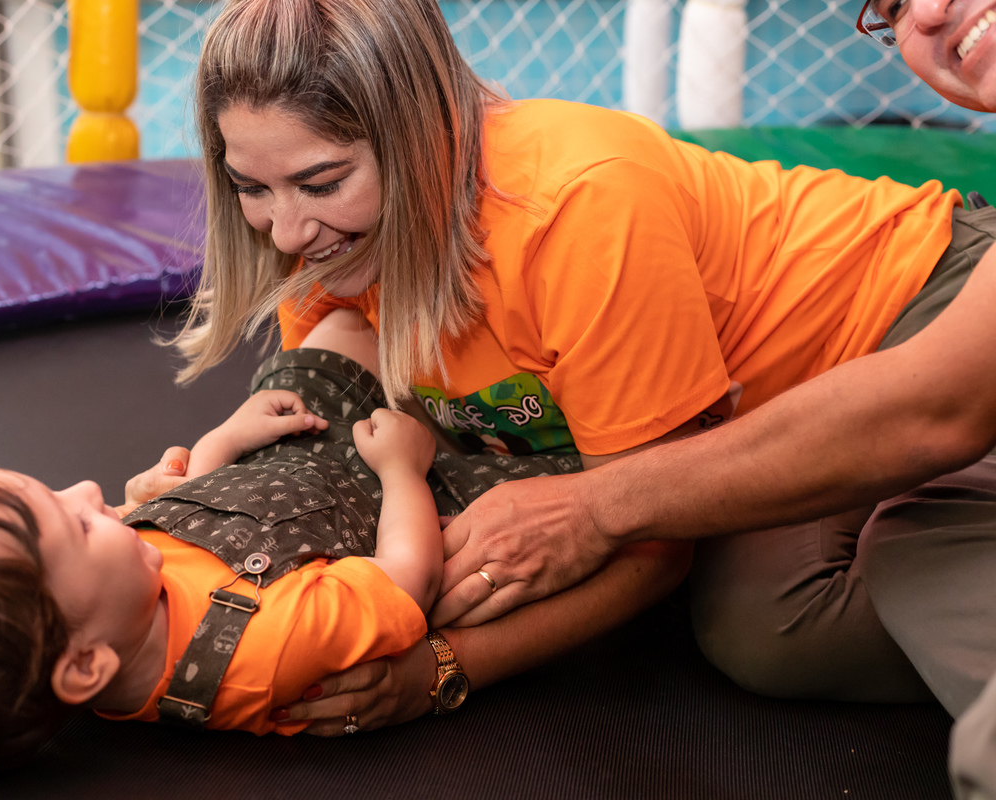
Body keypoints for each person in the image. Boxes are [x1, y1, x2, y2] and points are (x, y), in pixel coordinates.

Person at [421, 1, 996, 796]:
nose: (926, 12)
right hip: (845, 386)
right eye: (891, 9)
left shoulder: (583, 195)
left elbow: (931, 408)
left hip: (908, 307)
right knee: (792, 609)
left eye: (322, 181)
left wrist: (585, 514)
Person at [0, 310, 585, 775]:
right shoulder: (263, 652)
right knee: (560, 486)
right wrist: (405, 469)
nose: (89, 492)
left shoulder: (106, 598)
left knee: (346, 324)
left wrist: (222, 443)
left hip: (292, 466)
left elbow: (190, 515)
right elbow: (405, 577)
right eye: (77, 522)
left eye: (58, 493)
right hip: (404, 509)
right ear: (85, 666)